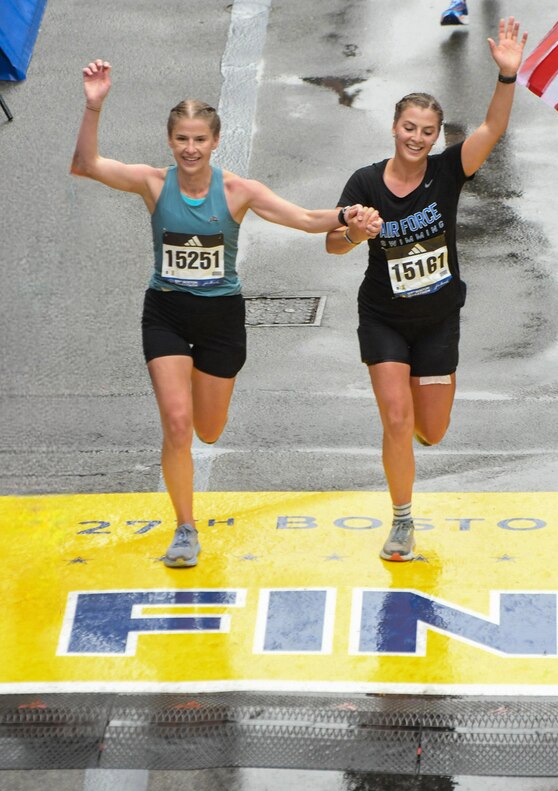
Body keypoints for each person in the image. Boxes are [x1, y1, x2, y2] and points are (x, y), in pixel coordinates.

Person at [71, 59, 381, 568]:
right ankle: (185, 529)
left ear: (215, 143)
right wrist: (93, 104)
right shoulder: (152, 183)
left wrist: (349, 216)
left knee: (208, 430)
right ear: (170, 142)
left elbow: (304, 219)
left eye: (199, 139)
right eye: (181, 140)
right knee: (176, 423)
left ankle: (198, 390)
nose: (190, 149)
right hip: (166, 313)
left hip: (220, 322)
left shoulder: (238, 191)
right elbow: (85, 164)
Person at [326, 18, 527, 562]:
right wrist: (354, 231)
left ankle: (413, 442)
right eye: (409, 127)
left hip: (438, 319)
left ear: (436, 136)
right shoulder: (366, 183)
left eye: (427, 131)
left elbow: (491, 129)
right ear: (394, 127)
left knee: (430, 431)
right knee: (395, 417)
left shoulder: (447, 171)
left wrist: (507, 75)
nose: (417, 138)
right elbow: (332, 246)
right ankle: (401, 521)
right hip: (384, 319)